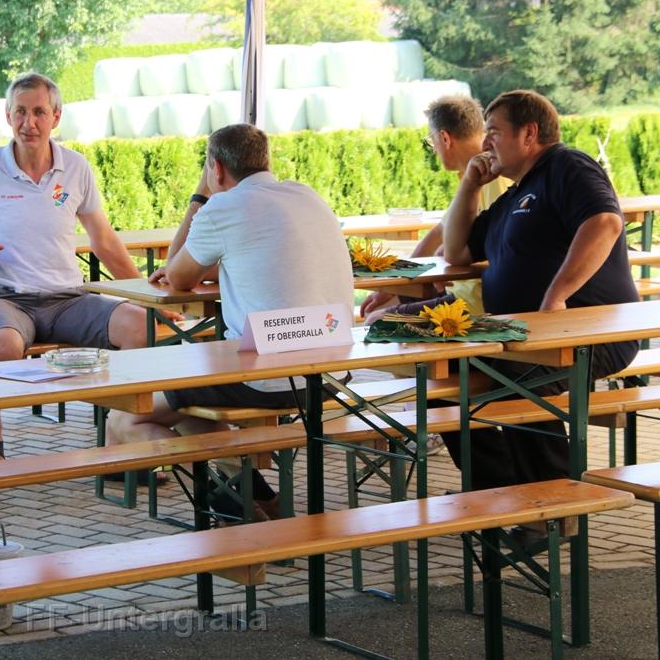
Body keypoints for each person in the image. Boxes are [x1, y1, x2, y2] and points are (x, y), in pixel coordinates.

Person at [105, 123, 355, 521]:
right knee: (191, 408)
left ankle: (230, 504)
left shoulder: (223, 208)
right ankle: (259, 495)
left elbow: (177, 273)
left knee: (124, 418)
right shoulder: (306, 195)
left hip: (265, 379)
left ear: (217, 168)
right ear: (266, 161)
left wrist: (200, 196)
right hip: (331, 376)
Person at [0, 72, 152, 459]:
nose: (29, 122)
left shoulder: (76, 167)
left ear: (56, 117)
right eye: (21, 112)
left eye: (40, 112)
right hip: (6, 299)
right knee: (2, 348)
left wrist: (147, 295)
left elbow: (104, 240)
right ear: (7, 116)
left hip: (68, 299)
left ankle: (119, 439)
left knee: (142, 327)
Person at [441, 89, 639, 505]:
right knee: (442, 375)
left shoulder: (566, 165)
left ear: (529, 134)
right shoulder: (515, 194)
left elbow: (604, 223)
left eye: (494, 131)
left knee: (518, 378)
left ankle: (553, 504)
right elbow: (456, 251)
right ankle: (500, 491)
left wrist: (556, 297)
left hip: (588, 332)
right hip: (524, 335)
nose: (485, 142)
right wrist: (470, 184)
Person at [360, 94, 509, 323]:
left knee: (377, 322)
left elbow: (502, 249)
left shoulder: (492, 178)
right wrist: (391, 286)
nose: (434, 149)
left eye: (432, 140)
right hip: (456, 291)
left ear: (445, 138)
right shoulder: (472, 176)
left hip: (475, 302)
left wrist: (448, 259)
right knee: (381, 306)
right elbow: (436, 236)